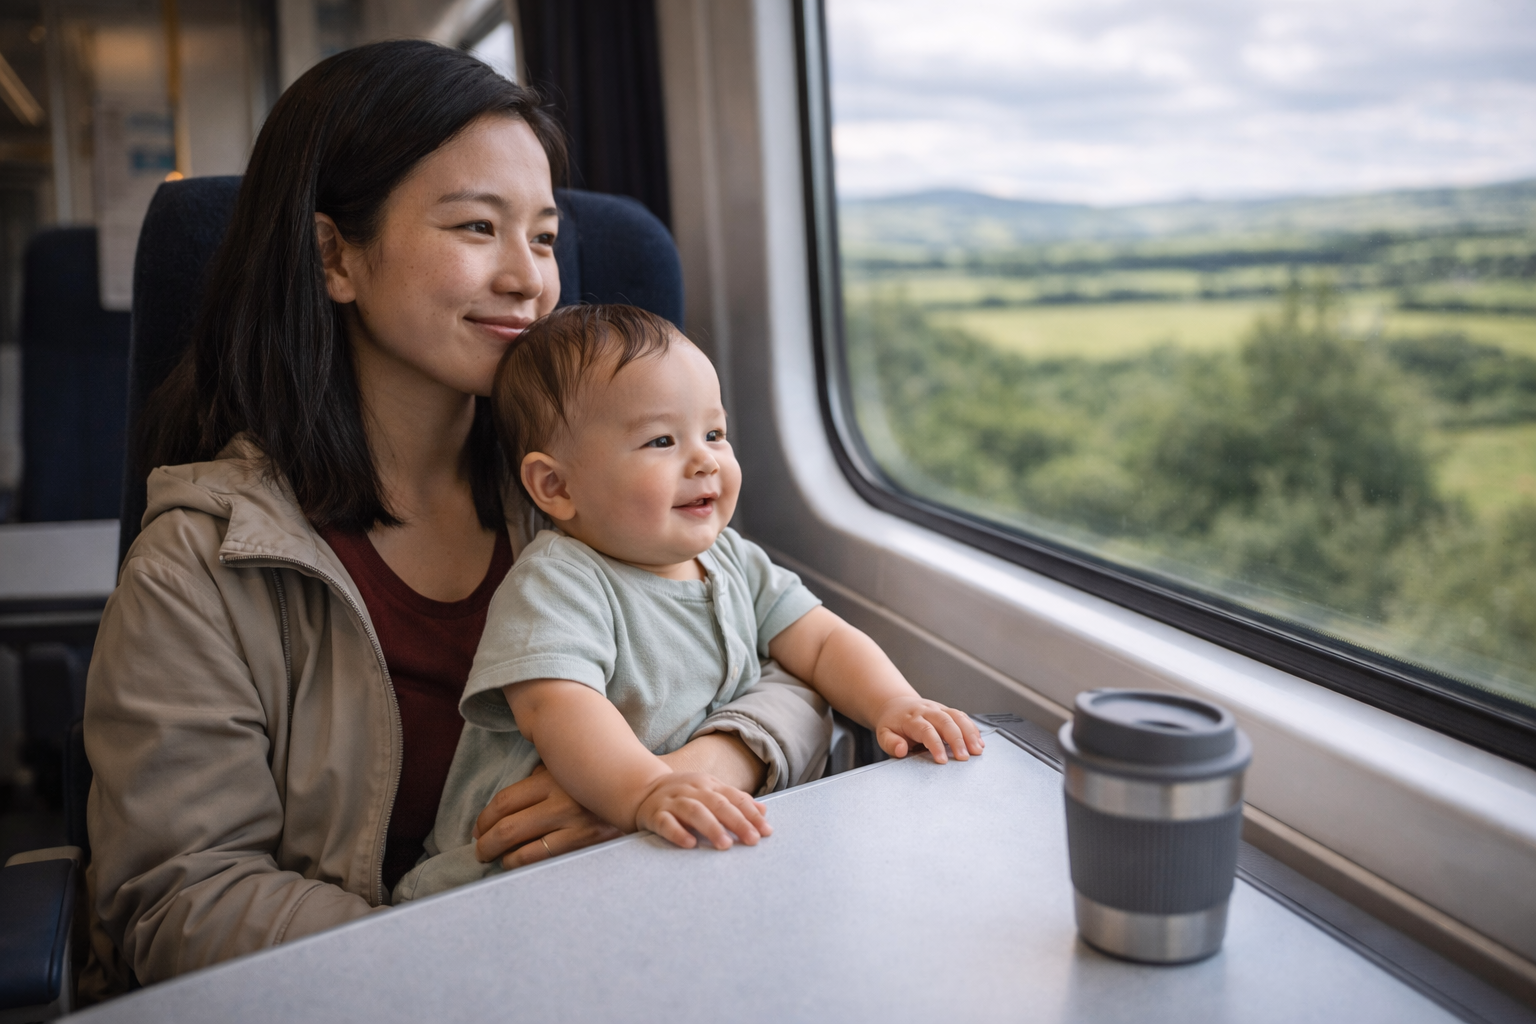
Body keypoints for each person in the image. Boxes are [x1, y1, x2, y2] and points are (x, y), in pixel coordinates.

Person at [82, 41, 830, 993]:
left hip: (628, 953)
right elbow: (178, 900)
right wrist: (478, 953)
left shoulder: (588, 488)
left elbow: (789, 666)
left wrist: (678, 780)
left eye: (546, 237)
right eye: (479, 227)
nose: (529, 278)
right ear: (335, 256)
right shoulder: (200, 563)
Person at [393, 305, 983, 902]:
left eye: (714, 434)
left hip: (655, 847)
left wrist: (894, 703)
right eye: (661, 440)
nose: (703, 460)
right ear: (557, 487)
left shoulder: (732, 559)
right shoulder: (558, 583)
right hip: (501, 877)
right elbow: (558, 708)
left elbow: (824, 641)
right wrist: (648, 790)